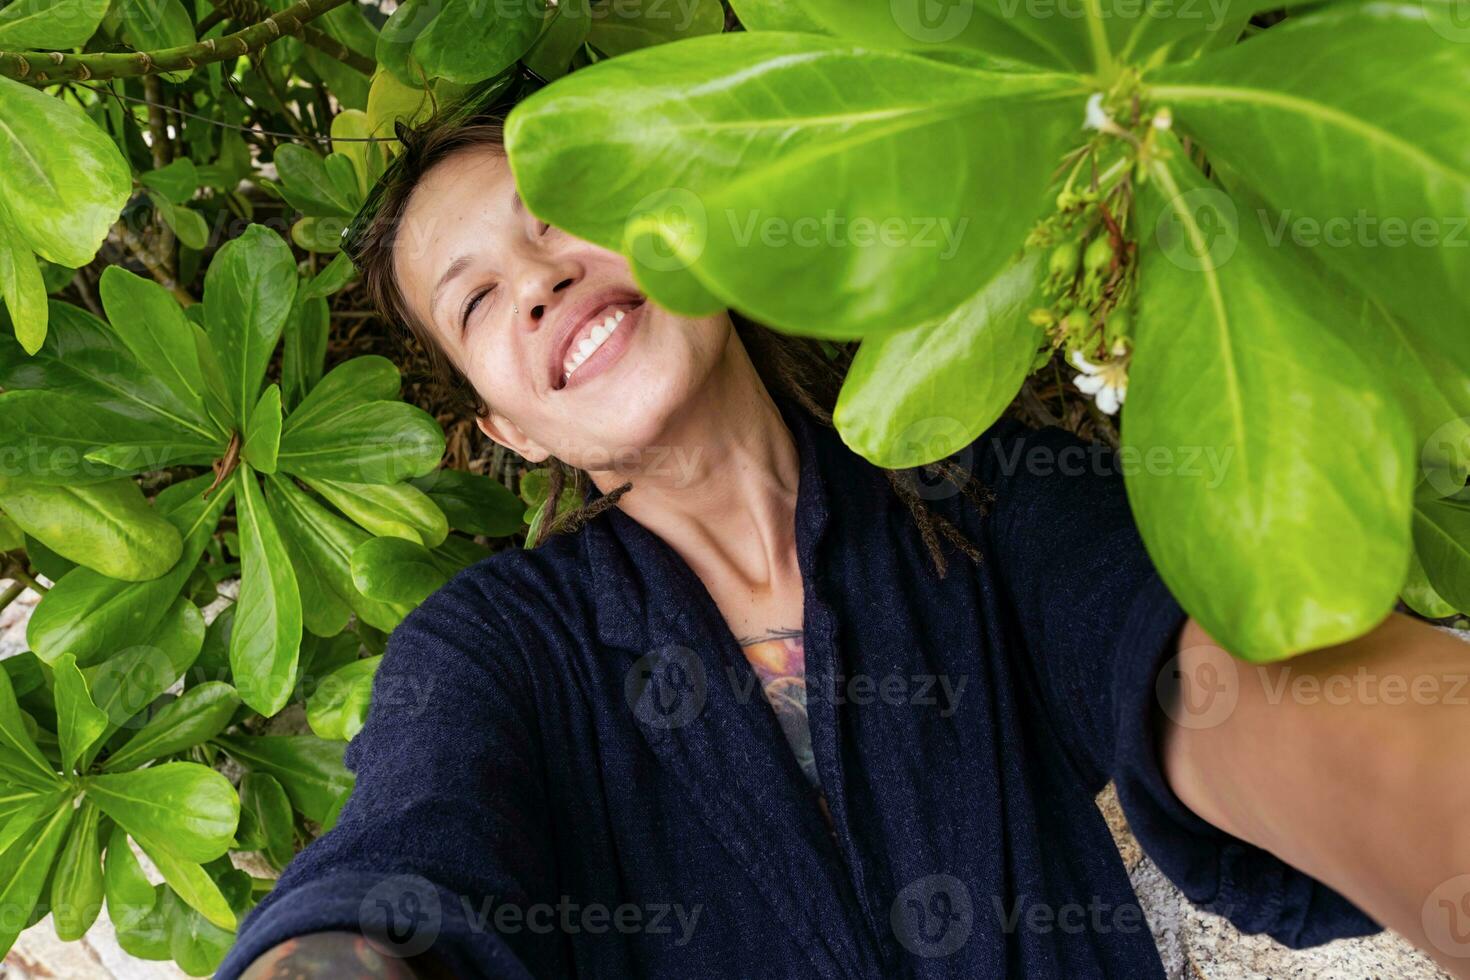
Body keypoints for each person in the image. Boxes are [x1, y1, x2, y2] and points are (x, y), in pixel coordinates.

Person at [219, 104, 1470, 980]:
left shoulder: (968, 482)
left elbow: (1178, 660)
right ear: (512, 430)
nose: (537, 276)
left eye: (559, 214)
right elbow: (411, 857)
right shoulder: (494, 646)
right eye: (478, 298)